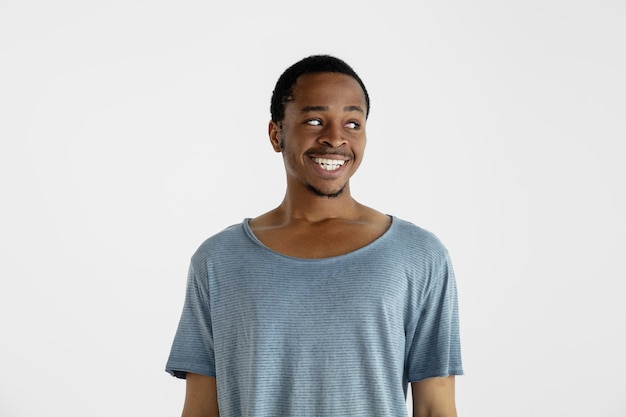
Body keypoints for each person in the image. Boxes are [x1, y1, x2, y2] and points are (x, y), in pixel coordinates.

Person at [165, 54, 463, 417]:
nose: (335, 138)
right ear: (277, 134)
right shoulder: (218, 260)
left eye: (352, 123)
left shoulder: (419, 255)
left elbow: (435, 407)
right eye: (315, 120)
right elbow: (200, 410)